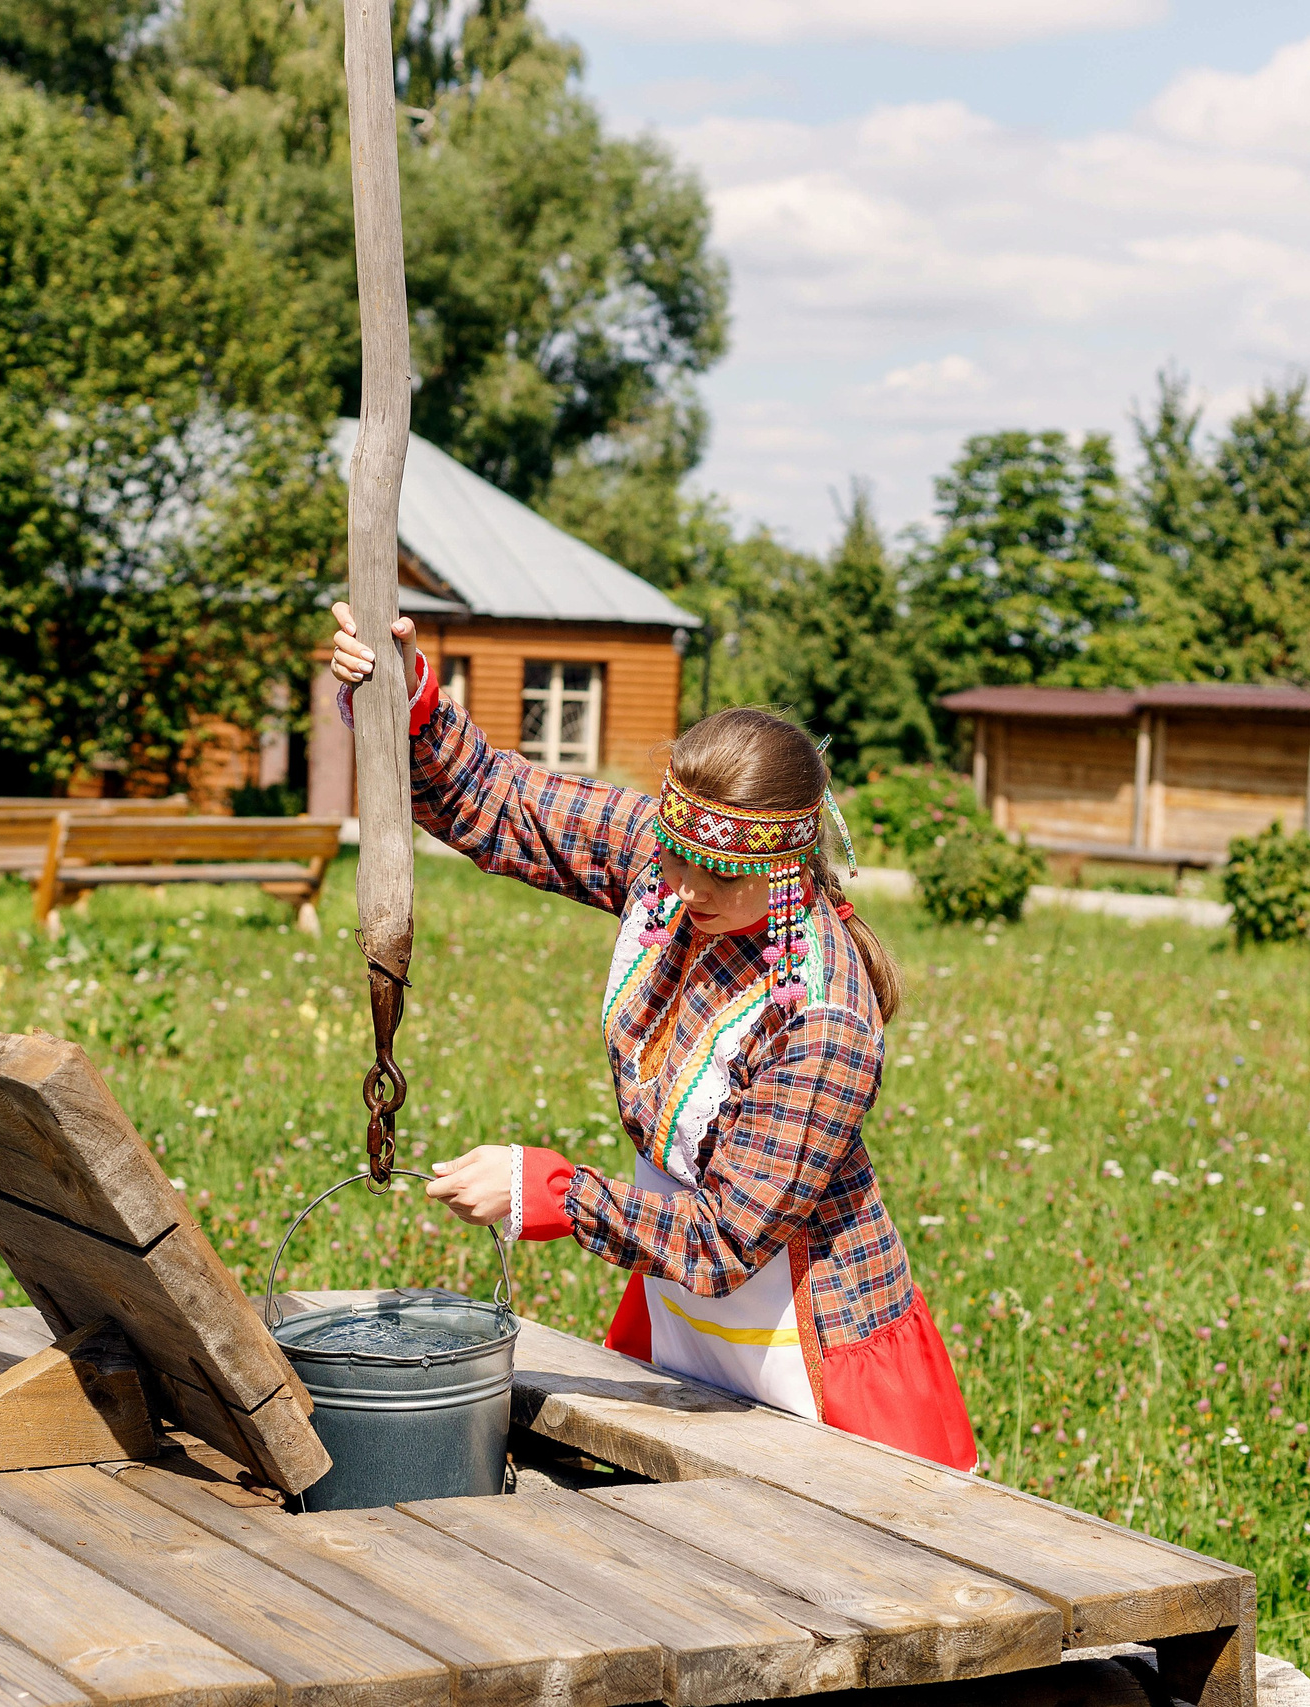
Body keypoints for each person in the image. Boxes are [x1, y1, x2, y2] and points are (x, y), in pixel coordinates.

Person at [327, 605, 977, 1470]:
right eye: (673, 856)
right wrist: (403, 698)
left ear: (785, 862)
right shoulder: (674, 860)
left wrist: (554, 1192)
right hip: (682, 1318)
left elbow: (724, 1242)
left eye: (723, 875)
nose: (686, 887)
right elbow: (503, 801)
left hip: (808, 1347)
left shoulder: (821, 1018)